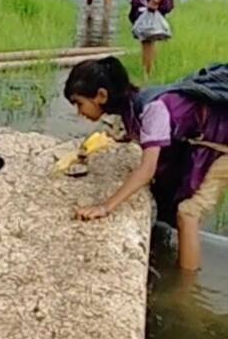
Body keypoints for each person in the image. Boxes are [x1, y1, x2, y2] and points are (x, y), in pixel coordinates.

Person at [64, 57, 228, 272]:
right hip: (209, 141)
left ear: (101, 96)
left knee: (188, 213)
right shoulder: (134, 105)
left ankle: (186, 291)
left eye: (79, 103)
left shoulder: (153, 109)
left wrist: (105, 206)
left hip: (222, 146)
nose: (79, 112)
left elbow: (147, 168)